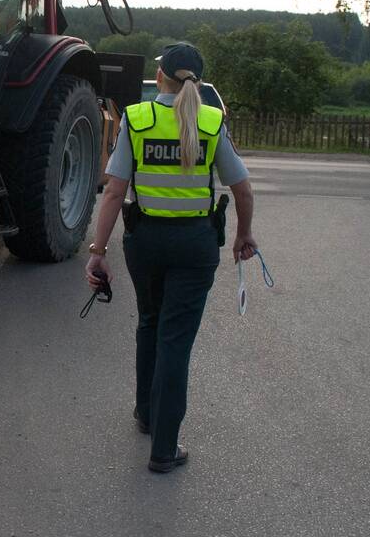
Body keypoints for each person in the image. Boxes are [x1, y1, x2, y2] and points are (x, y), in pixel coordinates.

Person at [84, 43, 257, 474]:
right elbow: (243, 189)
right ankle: (164, 446)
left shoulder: (137, 119)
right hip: (195, 247)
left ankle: (147, 414)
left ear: (158, 76)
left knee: (149, 323)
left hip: (145, 243)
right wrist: (243, 236)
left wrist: (98, 251)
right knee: (174, 340)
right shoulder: (212, 121)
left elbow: (114, 190)